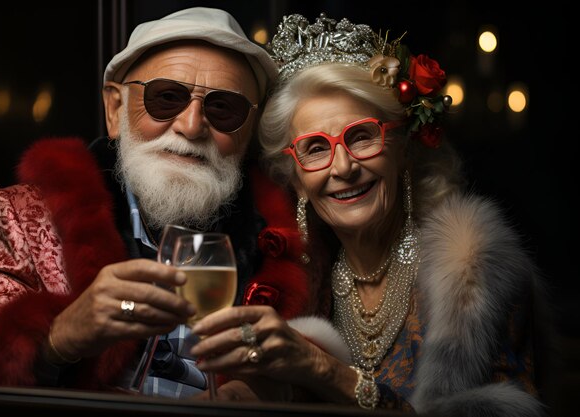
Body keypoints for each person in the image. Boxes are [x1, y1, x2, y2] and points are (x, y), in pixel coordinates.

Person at [187, 12, 549, 416]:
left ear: (404, 150)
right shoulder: (291, 278)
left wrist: (327, 372)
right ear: (295, 178)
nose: (343, 168)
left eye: (362, 137)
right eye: (316, 148)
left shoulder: (475, 275)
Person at [0, 7, 311, 398]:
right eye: (166, 98)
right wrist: (58, 339)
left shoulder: (288, 241)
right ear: (115, 109)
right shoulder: (20, 218)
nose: (191, 127)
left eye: (223, 108)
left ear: (248, 132)